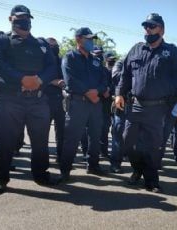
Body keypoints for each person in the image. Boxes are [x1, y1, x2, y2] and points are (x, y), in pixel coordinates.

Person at [0, 5, 57, 194]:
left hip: (37, 100)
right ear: (11, 19)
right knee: (5, 141)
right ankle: (0, 178)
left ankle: (41, 174)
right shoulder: (0, 41)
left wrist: (40, 80)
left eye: (27, 18)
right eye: (19, 18)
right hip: (10, 99)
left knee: (40, 141)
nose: (24, 21)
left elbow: (52, 67)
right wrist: (22, 79)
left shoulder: (41, 43)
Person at [115, 13, 177, 192]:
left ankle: (151, 180)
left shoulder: (171, 52)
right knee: (128, 141)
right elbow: (125, 75)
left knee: (153, 146)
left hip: (158, 108)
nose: (148, 29)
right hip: (136, 105)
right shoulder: (136, 49)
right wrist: (119, 94)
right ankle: (137, 169)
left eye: (152, 26)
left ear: (161, 29)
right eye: (146, 26)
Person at [58, 27, 109, 182]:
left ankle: (93, 165)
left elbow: (104, 80)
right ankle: (65, 170)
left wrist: (97, 91)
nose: (90, 42)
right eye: (88, 39)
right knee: (72, 138)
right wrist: (88, 92)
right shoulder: (70, 57)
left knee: (95, 136)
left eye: (92, 39)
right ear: (78, 39)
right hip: (78, 103)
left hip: (95, 104)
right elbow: (70, 80)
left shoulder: (96, 60)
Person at [44, 37, 65, 160]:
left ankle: (61, 156)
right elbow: (36, 78)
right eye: (51, 46)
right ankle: (43, 158)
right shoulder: (41, 62)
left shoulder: (62, 61)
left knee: (61, 131)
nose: (54, 48)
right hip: (45, 101)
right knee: (43, 132)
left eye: (56, 45)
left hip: (61, 100)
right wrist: (53, 82)